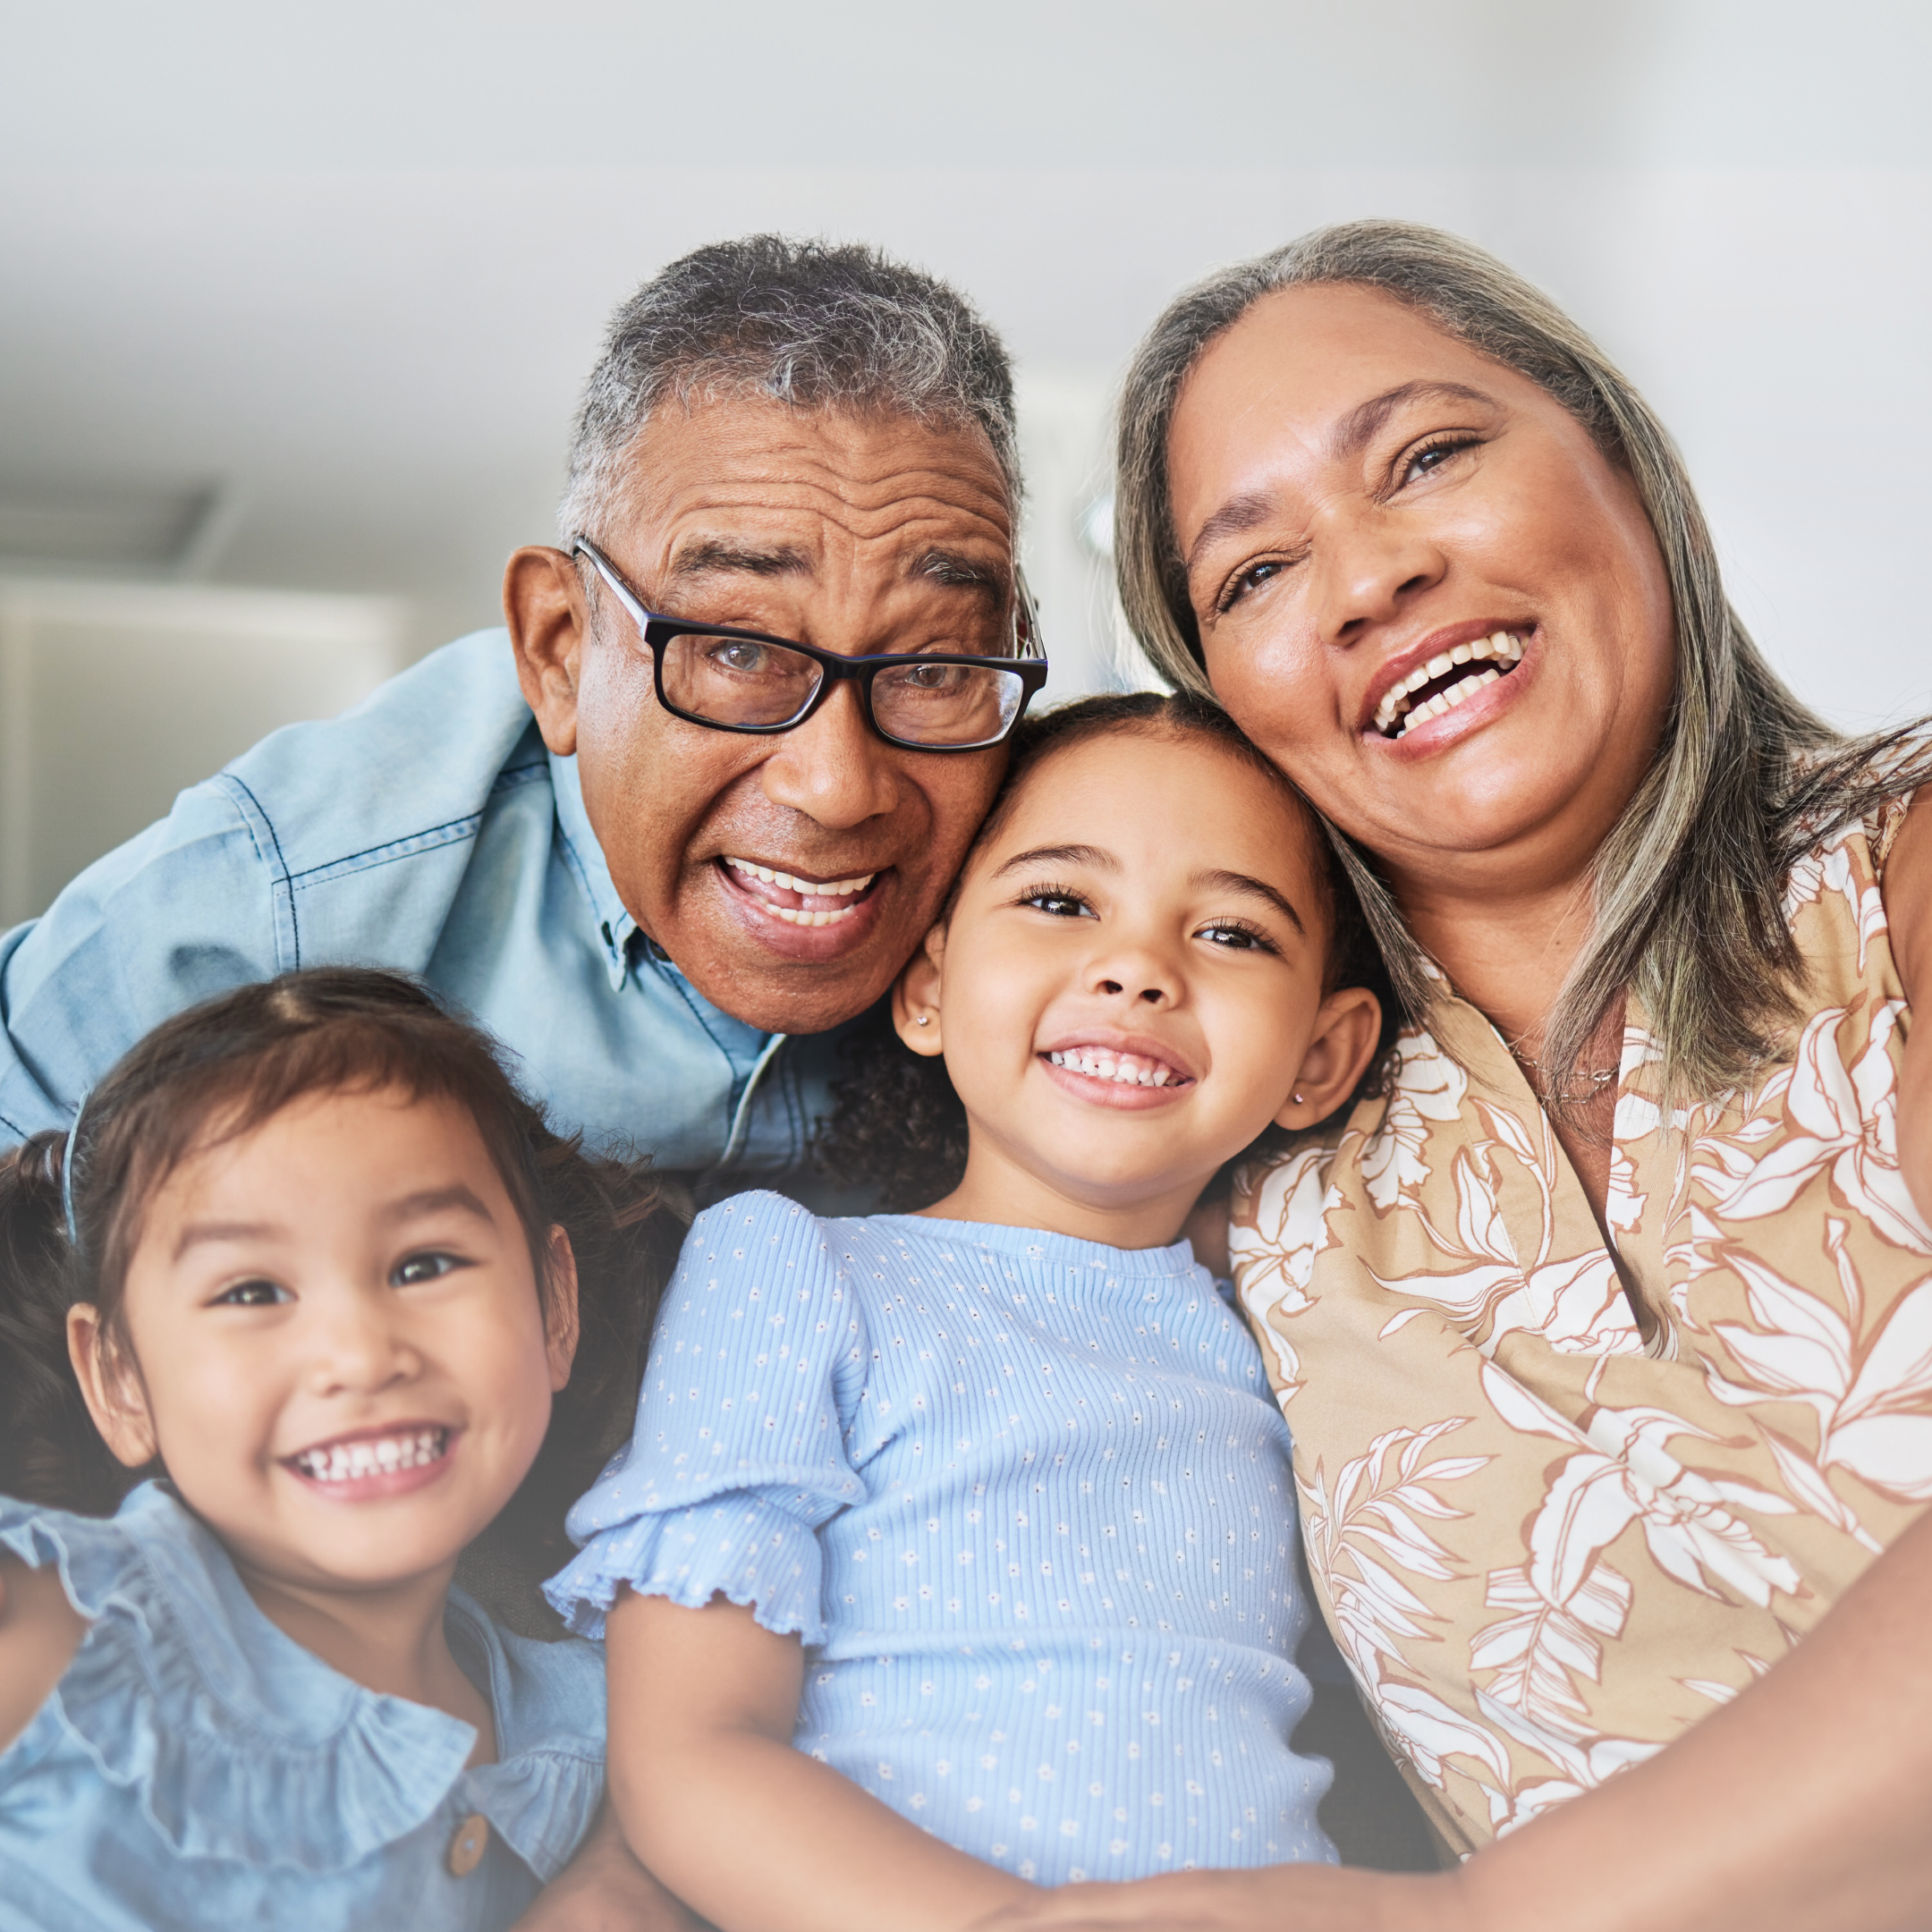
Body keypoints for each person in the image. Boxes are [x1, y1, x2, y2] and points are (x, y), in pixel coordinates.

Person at [980, 222, 1932, 1930]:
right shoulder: (1244, 1164)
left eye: (1427, 457)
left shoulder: (1904, 875)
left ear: (1623, 463)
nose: (1364, 583)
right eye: (1254, 574)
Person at [540, 693, 1393, 1930]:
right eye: (1059, 902)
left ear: (1322, 1057)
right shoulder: (794, 1274)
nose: (1139, 969)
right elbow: (690, 1762)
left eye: (1231, 933)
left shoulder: (1294, 1333)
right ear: (929, 984)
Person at [0, 236, 1042, 1210]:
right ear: (558, 648)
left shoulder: (1057, 856)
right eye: (736, 650)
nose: (839, 786)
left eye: (935, 665)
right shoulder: (288, 898)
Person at [0, 969, 678, 1929]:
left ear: (553, 1306)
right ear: (119, 1378)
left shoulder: (598, 1714)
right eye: (250, 1292)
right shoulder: (58, 1618)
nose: (360, 1356)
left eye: (425, 1265)